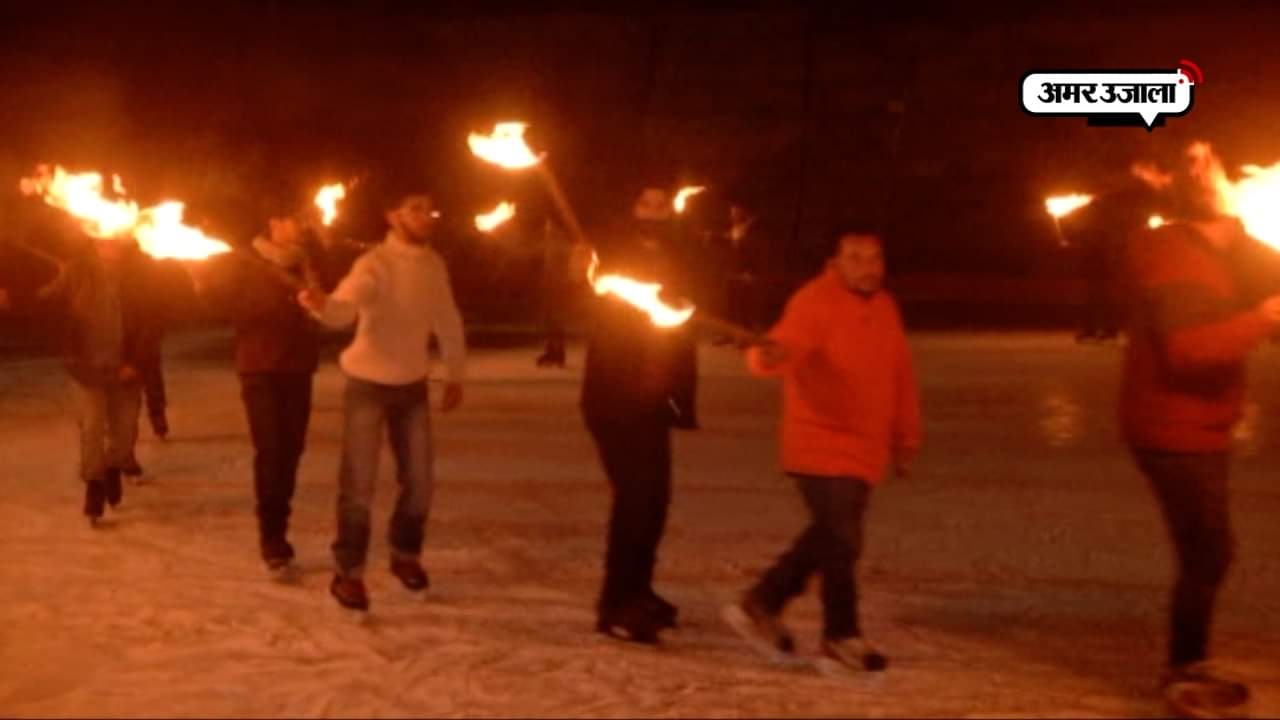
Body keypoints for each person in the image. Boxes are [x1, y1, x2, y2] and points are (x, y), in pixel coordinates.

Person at [1120, 143, 1280, 717]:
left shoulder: (1236, 248)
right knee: (1209, 551)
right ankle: (1184, 667)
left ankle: (1188, 661)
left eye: (1210, 160)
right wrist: (1262, 318)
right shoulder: (1175, 258)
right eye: (1191, 162)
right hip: (1171, 427)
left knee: (1208, 551)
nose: (1203, 170)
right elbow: (1188, 349)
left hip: (1205, 423)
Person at [722, 226, 921, 673]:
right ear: (834, 264)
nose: (868, 268)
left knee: (833, 536)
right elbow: (787, 344)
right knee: (842, 538)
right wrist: (768, 357)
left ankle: (764, 600)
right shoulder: (815, 301)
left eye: (874, 258)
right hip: (820, 441)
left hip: (865, 448)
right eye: (855, 258)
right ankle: (840, 633)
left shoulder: (885, 307)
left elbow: (900, 376)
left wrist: (906, 437)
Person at [298, 188, 466, 613]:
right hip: (368, 385)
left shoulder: (433, 265)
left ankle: (405, 553)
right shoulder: (374, 265)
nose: (425, 216)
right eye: (415, 209)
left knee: (420, 482)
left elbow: (447, 319)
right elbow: (344, 309)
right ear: (393, 216)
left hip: (412, 385)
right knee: (359, 485)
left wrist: (455, 372)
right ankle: (348, 572)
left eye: (429, 209)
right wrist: (322, 305)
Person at [581, 185, 700, 644]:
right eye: (644, 203)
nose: (654, 212)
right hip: (615, 397)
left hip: (656, 400)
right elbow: (586, 293)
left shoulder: (679, 256)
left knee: (655, 500)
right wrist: (583, 271)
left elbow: (692, 311)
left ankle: (639, 589)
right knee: (635, 497)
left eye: (661, 204)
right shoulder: (610, 257)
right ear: (629, 207)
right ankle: (616, 604)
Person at [193, 209, 331, 575]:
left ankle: (278, 521)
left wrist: (315, 304)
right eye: (293, 220)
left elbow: (330, 309)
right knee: (271, 450)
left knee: (291, 452)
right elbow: (223, 308)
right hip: (260, 367)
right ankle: (272, 537)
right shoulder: (245, 263)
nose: (300, 227)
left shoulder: (307, 263)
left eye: (303, 221)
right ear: (273, 222)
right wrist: (202, 282)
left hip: (298, 367)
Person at [37, 236, 163, 524]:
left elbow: (154, 320)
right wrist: (29, 297)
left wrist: (135, 362)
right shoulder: (76, 271)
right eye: (103, 241)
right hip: (87, 368)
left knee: (125, 431)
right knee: (92, 426)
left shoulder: (141, 272)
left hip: (126, 369)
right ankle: (94, 484)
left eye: (115, 241)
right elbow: (49, 305)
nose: (109, 246)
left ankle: (114, 466)